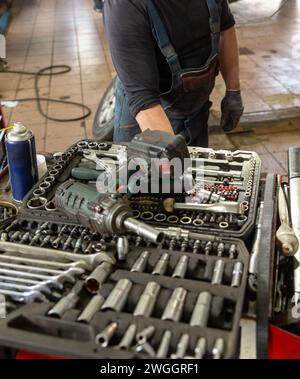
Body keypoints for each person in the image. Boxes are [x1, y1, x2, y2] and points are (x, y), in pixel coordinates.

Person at [104, 0, 244, 146]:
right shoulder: (125, 5)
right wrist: (171, 156)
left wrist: (233, 91)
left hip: (196, 113)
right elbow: (144, 101)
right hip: (148, 120)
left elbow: (225, 28)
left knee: (193, 166)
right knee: (162, 167)